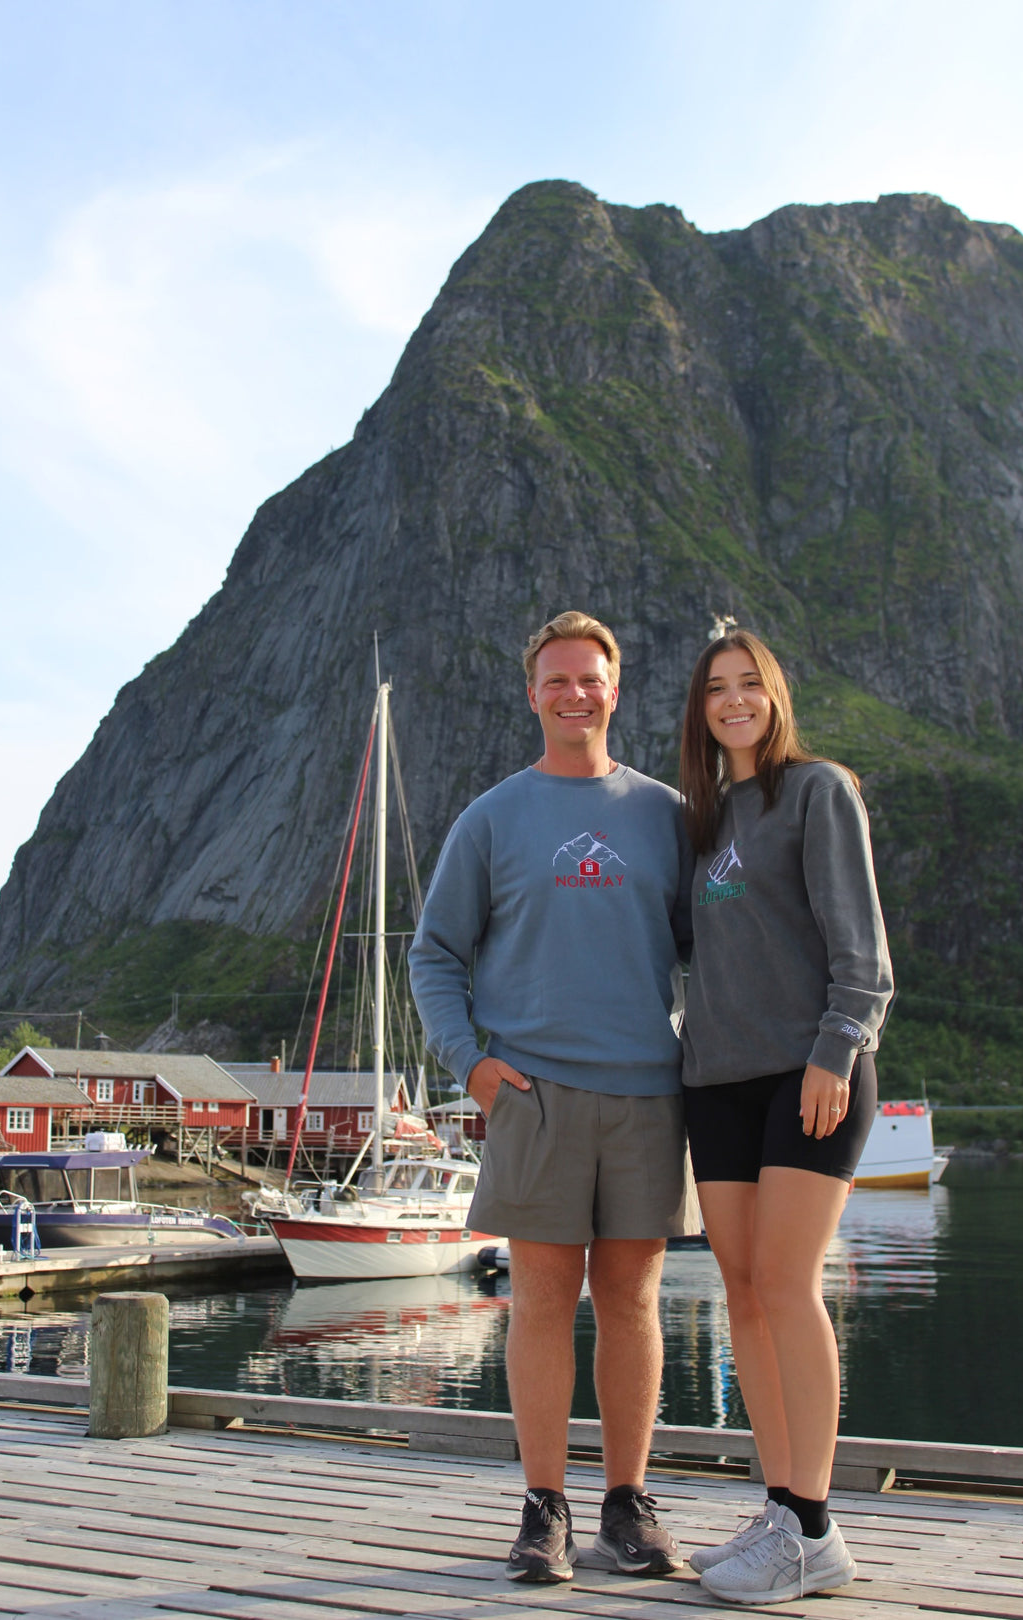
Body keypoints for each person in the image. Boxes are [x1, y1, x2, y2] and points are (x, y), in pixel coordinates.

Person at [409, 610, 694, 1583]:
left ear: (618, 689)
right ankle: (544, 1509)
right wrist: (472, 1066)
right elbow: (435, 954)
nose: (575, 694)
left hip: (650, 1097)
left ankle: (628, 1501)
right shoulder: (491, 818)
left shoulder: (666, 816)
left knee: (631, 1301)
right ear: (533, 694)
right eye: (557, 680)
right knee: (539, 1304)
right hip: (534, 1096)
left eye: (591, 678)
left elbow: (720, 951)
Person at [677, 627, 893, 1605]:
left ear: (774, 695)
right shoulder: (705, 820)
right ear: (700, 708)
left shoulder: (817, 792)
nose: (733, 701)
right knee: (742, 1291)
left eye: (748, 685)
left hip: (809, 1075)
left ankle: (813, 1527)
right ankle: (780, 1506)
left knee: (784, 1280)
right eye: (716, 688)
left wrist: (836, 1048)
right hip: (715, 1080)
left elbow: (862, 952)